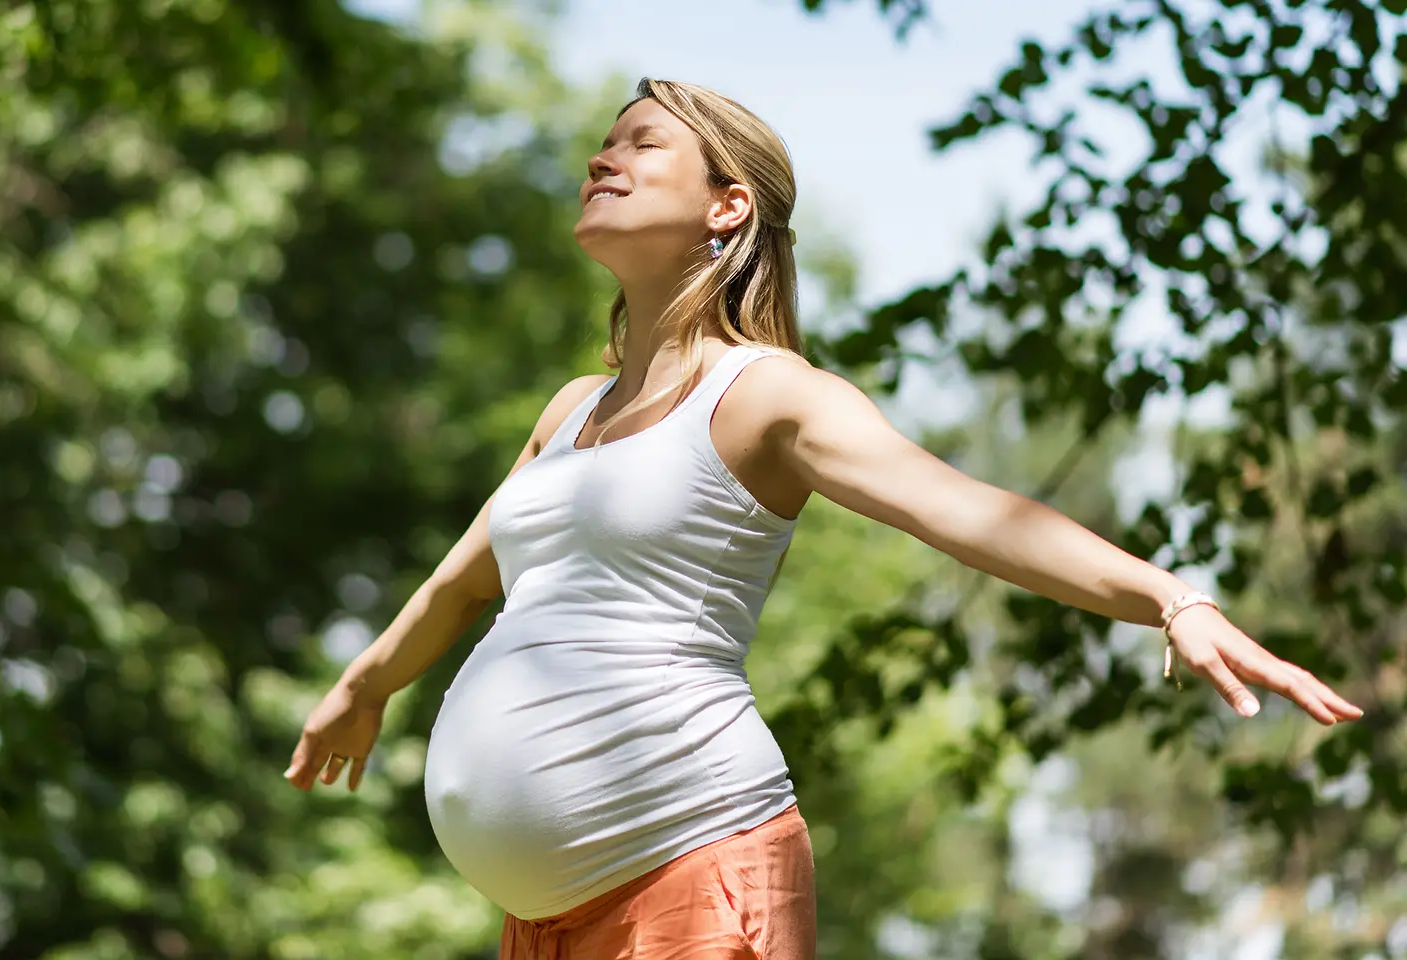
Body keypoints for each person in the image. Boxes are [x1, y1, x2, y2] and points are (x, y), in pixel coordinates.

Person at [284, 78, 1363, 959]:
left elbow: (967, 511)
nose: (603, 159)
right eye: (603, 145)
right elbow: (464, 581)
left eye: (643, 144)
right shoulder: (571, 410)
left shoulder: (767, 396)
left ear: (727, 207)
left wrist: (1172, 599)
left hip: (691, 869)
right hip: (543, 919)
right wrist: (364, 687)